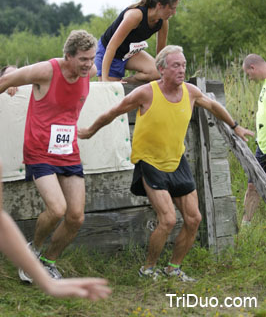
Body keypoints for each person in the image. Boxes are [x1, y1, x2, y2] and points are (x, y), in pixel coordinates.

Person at [78, 45, 254, 281]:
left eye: (183, 65)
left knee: (194, 219)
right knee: (168, 219)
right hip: (150, 161)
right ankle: (148, 269)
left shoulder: (191, 92)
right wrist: (89, 131)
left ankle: (173, 269)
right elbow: (113, 112)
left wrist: (235, 126)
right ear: (161, 69)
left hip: (176, 160)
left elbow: (213, 105)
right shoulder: (146, 93)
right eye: (175, 65)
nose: (181, 69)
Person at [0, 30, 97, 282]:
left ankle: (48, 261)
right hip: (39, 149)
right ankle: (32, 254)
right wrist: (10, 83)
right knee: (56, 209)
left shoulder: (91, 72)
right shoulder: (47, 70)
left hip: (68, 151)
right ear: (68, 56)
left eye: (91, 58)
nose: (88, 64)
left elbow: (107, 72)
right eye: (83, 59)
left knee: (76, 217)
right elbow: (8, 78)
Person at [0, 159, 111, 300]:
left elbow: (2, 224)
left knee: (75, 217)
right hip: (41, 154)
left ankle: (45, 262)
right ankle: (35, 252)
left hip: (68, 155)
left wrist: (48, 284)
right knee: (57, 210)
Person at [95, 0, 181, 83]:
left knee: (157, 73)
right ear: (159, 5)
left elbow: (160, 54)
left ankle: (124, 82)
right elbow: (111, 47)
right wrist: (105, 81)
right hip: (108, 52)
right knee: (111, 90)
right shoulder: (135, 16)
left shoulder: (163, 22)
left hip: (129, 53)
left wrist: (165, 77)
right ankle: (113, 82)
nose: (174, 12)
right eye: (172, 8)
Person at [241, 53, 266, 225]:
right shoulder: (264, 85)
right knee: (252, 185)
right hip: (262, 144)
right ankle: (246, 226)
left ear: (253, 67)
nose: (250, 78)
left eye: (249, 74)